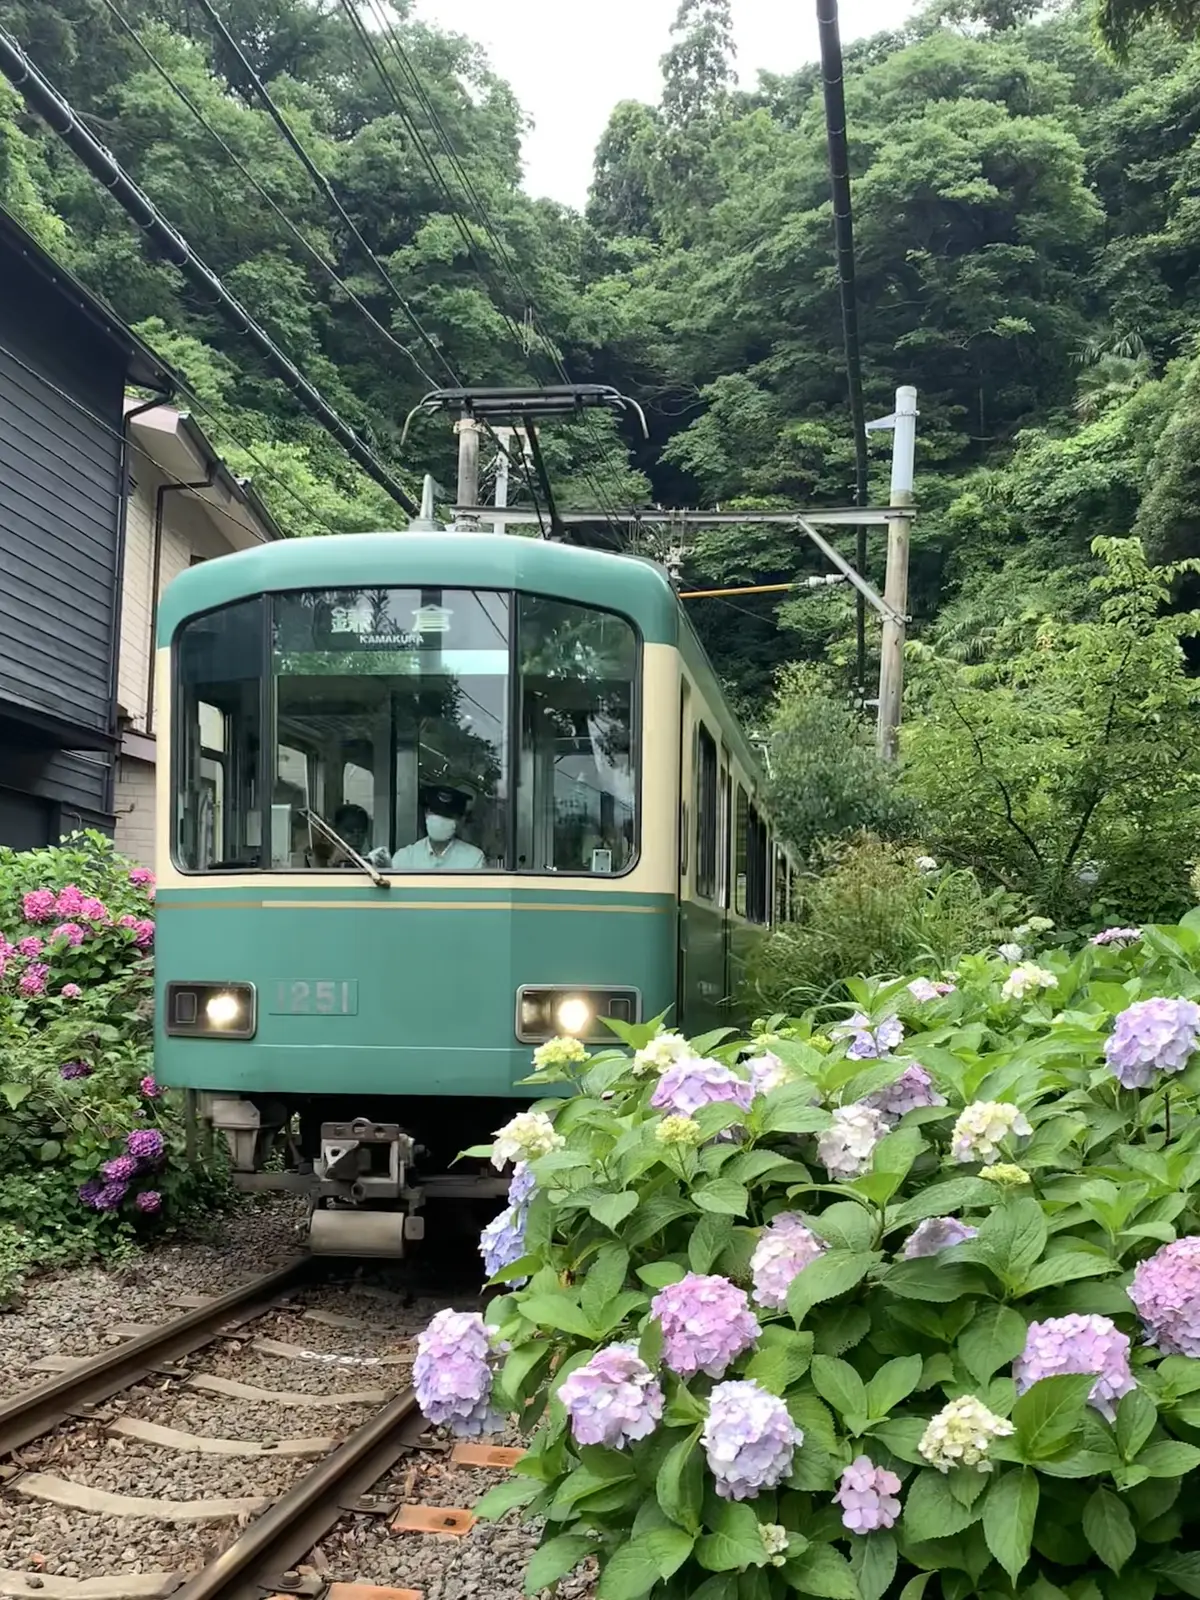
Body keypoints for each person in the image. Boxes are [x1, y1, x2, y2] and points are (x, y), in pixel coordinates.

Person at [391, 785, 485, 870]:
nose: (441, 820)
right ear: (426, 814)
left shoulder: (473, 859)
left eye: (447, 815)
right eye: (436, 813)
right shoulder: (405, 857)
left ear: (458, 821)